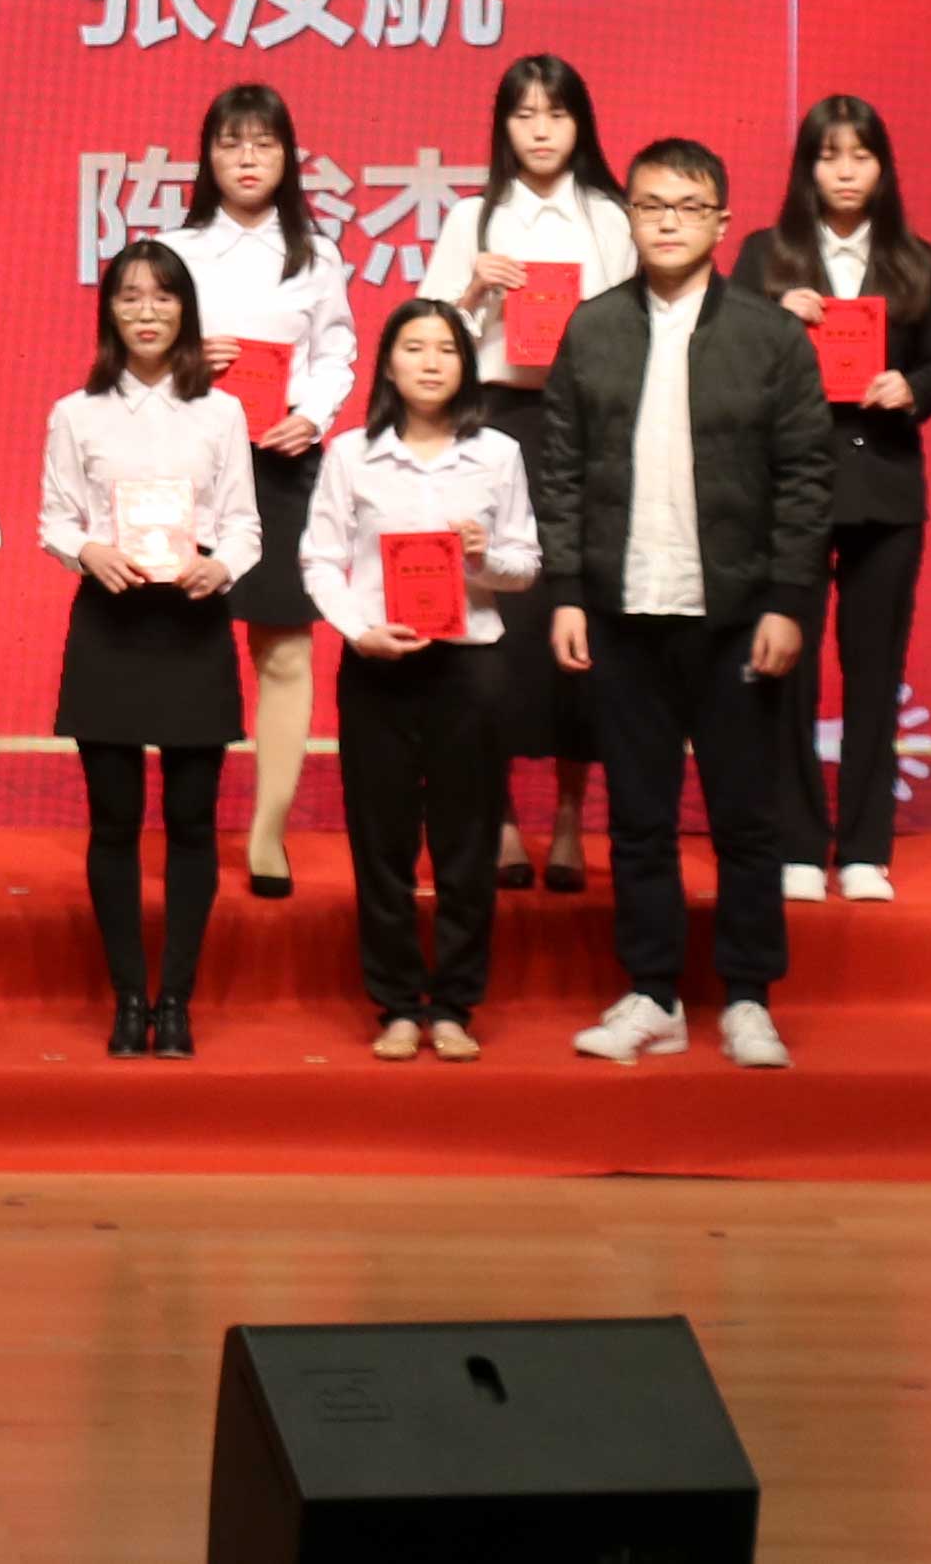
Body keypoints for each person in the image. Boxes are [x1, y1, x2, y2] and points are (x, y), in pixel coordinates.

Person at [537, 138, 832, 1071]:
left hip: (738, 614)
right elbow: (560, 472)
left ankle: (748, 998)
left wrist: (787, 601)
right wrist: (566, 592)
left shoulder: (769, 336)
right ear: (628, 216)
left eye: (687, 206)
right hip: (622, 610)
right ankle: (652, 995)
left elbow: (805, 478)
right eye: (651, 205)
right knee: (637, 818)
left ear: (721, 222)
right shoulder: (591, 329)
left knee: (746, 819)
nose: (667, 222)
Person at [300, 299, 539, 1060]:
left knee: (468, 844)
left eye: (446, 349)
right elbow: (319, 559)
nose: (430, 362)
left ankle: (456, 1005)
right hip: (380, 664)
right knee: (383, 842)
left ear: (466, 366)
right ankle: (398, 1004)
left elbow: (524, 566)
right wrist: (357, 630)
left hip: (471, 667)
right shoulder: (351, 455)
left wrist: (484, 556)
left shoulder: (497, 454)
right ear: (388, 364)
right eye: (414, 347)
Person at [740, 95, 931, 903]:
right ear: (805, 167)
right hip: (790, 490)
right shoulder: (766, 256)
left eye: (859, 156)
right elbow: (721, 358)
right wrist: (773, 318)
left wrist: (911, 387)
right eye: (827, 155)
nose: (843, 172)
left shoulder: (914, 260)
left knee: (875, 673)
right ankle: (797, 844)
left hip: (884, 489)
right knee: (786, 670)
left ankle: (865, 849)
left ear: (881, 167)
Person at [44, 240, 260, 1063]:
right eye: (129, 296)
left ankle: (176, 1001)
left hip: (192, 622)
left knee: (192, 822)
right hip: (110, 622)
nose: (145, 311)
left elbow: (242, 523)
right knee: (113, 823)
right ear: (108, 310)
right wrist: (86, 552)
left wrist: (220, 565)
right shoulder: (77, 412)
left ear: (184, 312)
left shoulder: (221, 412)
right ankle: (126, 997)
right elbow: (56, 517)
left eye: (162, 297)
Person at [422, 54, 634, 892]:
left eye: (555, 113)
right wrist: (472, 292)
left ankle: (572, 818)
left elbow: (641, 334)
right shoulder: (471, 220)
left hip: (588, 429)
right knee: (498, 618)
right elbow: (427, 340)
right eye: (523, 114)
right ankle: (503, 816)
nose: (540, 130)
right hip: (493, 420)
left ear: (580, 124)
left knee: (579, 616)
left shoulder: (611, 218)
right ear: (501, 126)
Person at [162, 82, 357, 900]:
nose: (247, 159)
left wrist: (311, 416)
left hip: (280, 462)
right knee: (187, 646)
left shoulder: (315, 255)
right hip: (187, 465)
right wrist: (182, 362)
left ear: (287, 158)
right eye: (230, 143)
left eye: (263, 144)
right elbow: (131, 348)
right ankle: (189, 826)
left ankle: (268, 833)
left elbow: (335, 353)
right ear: (207, 156)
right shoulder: (171, 252)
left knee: (283, 650)